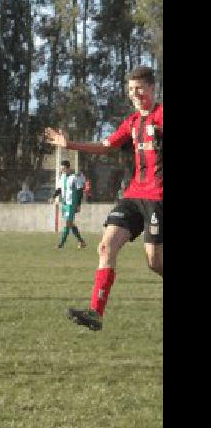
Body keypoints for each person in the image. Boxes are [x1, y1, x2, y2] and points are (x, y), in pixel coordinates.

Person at [45, 65, 162, 331]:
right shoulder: (132, 122)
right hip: (133, 195)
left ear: (153, 88)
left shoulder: (161, 115)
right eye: (131, 90)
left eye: (140, 89)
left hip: (158, 198)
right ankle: (95, 313)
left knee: (155, 262)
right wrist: (70, 144)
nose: (135, 94)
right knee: (105, 247)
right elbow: (106, 146)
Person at [52, 160, 87, 250]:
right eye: (61, 167)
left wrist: (78, 204)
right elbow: (59, 189)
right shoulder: (62, 177)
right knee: (70, 224)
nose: (61, 169)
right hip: (65, 203)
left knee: (68, 223)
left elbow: (79, 191)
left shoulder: (74, 177)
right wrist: (53, 196)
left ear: (67, 167)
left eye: (63, 167)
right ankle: (81, 241)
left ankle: (61, 244)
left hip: (72, 203)